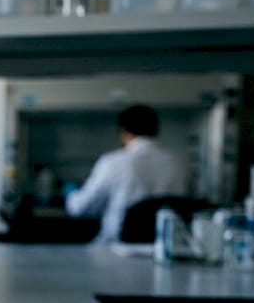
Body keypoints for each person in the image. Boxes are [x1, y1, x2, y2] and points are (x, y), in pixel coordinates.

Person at [65, 104, 191, 242]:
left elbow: (79, 208)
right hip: (162, 249)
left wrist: (70, 193)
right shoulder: (179, 163)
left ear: (124, 131)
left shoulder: (112, 162)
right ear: (155, 130)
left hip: (115, 250)